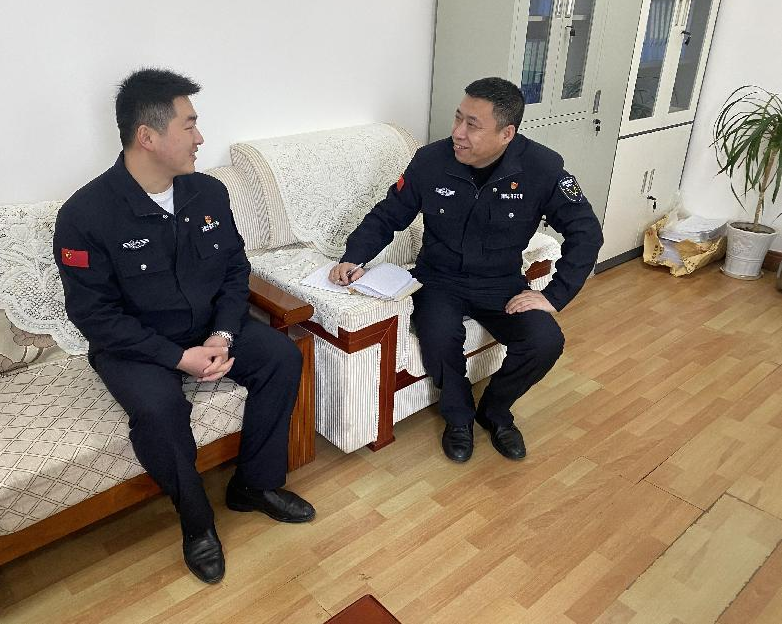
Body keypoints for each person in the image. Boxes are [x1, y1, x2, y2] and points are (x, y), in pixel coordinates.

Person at [54, 68, 314, 584]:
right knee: (160, 409)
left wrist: (223, 335)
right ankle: (197, 524)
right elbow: (94, 316)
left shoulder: (207, 193)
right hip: (136, 346)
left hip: (210, 329)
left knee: (282, 357)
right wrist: (177, 358)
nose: (200, 138)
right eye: (189, 125)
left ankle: (254, 486)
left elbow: (235, 270)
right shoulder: (85, 215)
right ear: (147, 137)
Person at [330, 77, 603, 464]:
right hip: (440, 280)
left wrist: (553, 296)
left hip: (502, 283)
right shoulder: (431, 161)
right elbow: (389, 214)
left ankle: (495, 412)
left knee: (545, 341)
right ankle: (458, 419)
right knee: (438, 338)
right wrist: (354, 256)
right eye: (458, 118)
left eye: (472, 125)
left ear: (506, 133)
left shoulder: (542, 168)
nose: (458, 132)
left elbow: (586, 232)